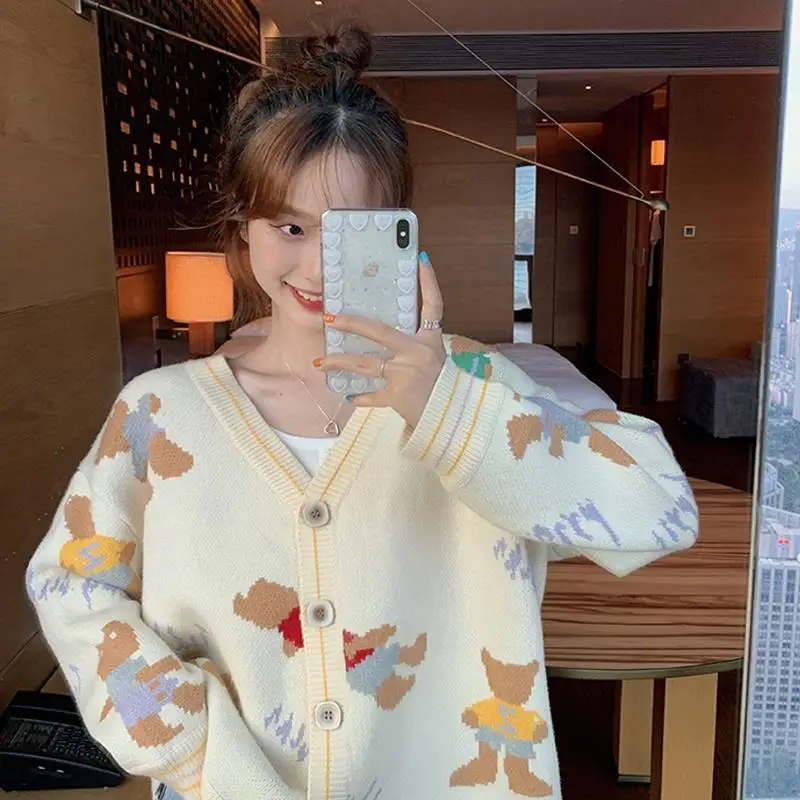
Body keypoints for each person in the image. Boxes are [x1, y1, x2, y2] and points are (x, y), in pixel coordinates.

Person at [26, 24, 699, 800]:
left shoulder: (473, 385)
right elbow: (71, 587)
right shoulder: (160, 414)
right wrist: (194, 751)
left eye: (352, 232)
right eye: (289, 227)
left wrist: (448, 410)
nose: (317, 266)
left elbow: (661, 509)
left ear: (400, 231)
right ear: (243, 231)